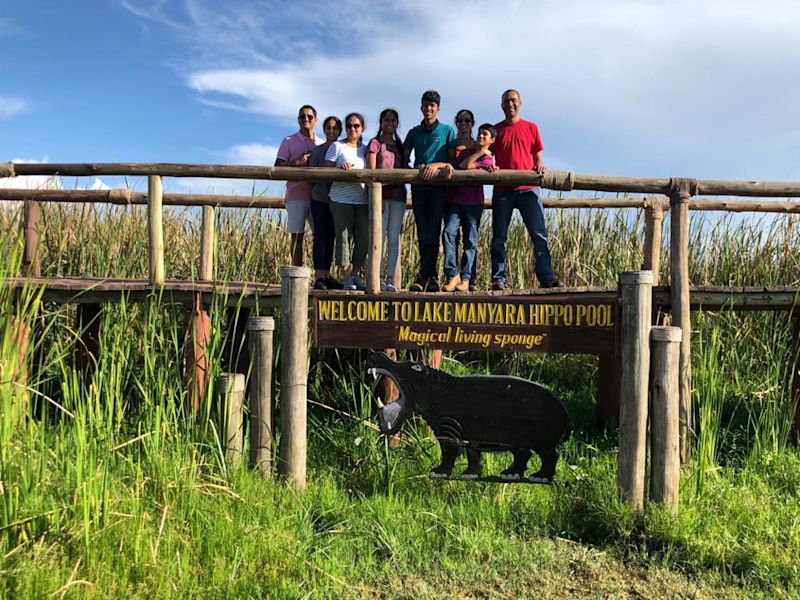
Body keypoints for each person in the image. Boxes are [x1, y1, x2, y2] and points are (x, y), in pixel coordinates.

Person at [490, 89, 561, 290]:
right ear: (501, 105)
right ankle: (498, 278)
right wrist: (490, 166)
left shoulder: (531, 127)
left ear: (520, 102)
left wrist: (540, 165)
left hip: (528, 189)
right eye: (506, 101)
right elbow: (487, 155)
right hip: (503, 190)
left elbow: (537, 156)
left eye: (513, 100)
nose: (510, 104)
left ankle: (546, 277)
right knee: (499, 237)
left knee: (538, 234)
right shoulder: (496, 131)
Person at [403, 90, 456, 292]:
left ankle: (428, 276)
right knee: (422, 233)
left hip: (438, 189)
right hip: (419, 188)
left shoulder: (447, 131)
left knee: (433, 232)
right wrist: (415, 170)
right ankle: (427, 275)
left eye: (432, 105)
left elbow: (452, 161)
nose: (429, 109)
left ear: (438, 108)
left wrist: (437, 166)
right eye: (426, 105)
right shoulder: (413, 133)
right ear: (421, 107)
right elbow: (404, 159)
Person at [440, 123, 496, 292]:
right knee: (448, 233)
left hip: (474, 204)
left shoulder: (489, 158)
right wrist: (479, 152)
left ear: (491, 140)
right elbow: (463, 166)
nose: (480, 137)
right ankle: (452, 273)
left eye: (485, 135)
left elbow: (468, 166)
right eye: (479, 133)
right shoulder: (468, 152)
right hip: (457, 200)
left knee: (470, 241)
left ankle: (466, 278)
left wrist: (481, 154)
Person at [324, 113, 369, 291]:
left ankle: (354, 274)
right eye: (349, 126)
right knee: (343, 238)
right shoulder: (337, 146)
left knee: (363, 240)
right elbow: (325, 170)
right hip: (340, 199)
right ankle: (346, 276)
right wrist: (339, 170)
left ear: (362, 128)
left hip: (362, 200)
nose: (353, 129)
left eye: (356, 126)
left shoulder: (366, 149)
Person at [275, 105, 321, 267]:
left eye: (309, 116)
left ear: (316, 120)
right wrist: (297, 163)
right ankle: (296, 275)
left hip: (317, 196)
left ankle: (320, 276)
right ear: (298, 120)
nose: (306, 119)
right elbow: (277, 168)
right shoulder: (288, 141)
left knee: (320, 236)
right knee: (297, 237)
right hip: (296, 196)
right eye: (302, 117)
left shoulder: (321, 144)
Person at [366, 108, 406, 292]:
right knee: (378, 237)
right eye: (386, 120)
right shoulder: (375, 143)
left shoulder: (399, 144)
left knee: (393, 239)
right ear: (381, 123)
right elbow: (372, 172)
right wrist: (377, 195)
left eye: (393, 120)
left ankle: (390, 278)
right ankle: (378, 276)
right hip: (380, 196)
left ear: (397, 124)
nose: (390, 123)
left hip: (398, 197)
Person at [308, 116, 344, 290]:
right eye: (329, 128)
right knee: (320, 236)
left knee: (331, 237)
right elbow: (311, 176)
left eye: (335, 128)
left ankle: (327, 274)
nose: (331, 131)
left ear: (339, 131)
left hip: (337, 199)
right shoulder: (317, 151)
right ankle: (319, 275)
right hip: (319, 198)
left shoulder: (343, 149)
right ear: (324, 129)